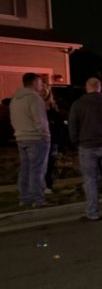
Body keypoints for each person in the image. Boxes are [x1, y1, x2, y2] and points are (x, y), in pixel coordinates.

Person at [69, 78, 102, 220]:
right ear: (99, 88)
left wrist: (75, 141)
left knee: (90, 179)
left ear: (87, 88)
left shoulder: (78, 104)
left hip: (87, 145)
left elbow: (73, 125)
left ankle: (92, 212)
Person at [9, 73, 50, 207]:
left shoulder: (15, 99)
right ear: (34, 82)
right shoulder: (34, 98)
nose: (41, 85)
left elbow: (13, 119)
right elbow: (40, 119)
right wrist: (45, 135)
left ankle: (24, 197)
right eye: (40, 82)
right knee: (37, 169)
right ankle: (38, 199)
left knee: (25, 168)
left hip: (21, 137)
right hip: (35, 138)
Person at [40, 83, 67, 194]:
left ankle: (48, 184)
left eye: (45, 90)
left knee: (50, 163)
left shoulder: (53, 106)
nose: (43, 92)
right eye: (41, 90)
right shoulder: (36, 106)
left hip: (52, 139)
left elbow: (59, 125)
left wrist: (59, 143)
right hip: (40, 139)